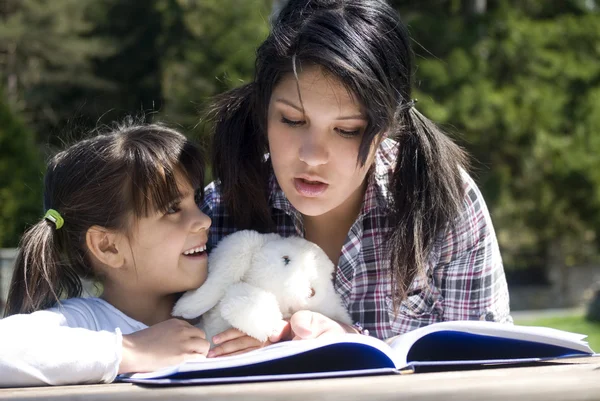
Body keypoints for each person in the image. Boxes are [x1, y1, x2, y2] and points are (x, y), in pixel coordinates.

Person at [202, 0, 512, 357]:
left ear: (385, 128)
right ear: (264, 111)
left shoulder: (444, 200)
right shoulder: (215, 212)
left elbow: (491, 363)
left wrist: (352, 342)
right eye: (292, 120)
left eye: (347, 130)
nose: (313, 155)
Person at [0, 122, 232, 387]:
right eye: (172, 209)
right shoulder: (88, 322)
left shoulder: (224, 305)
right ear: (108, 246)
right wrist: (132, 350)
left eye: (197, 201)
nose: (204, 220)